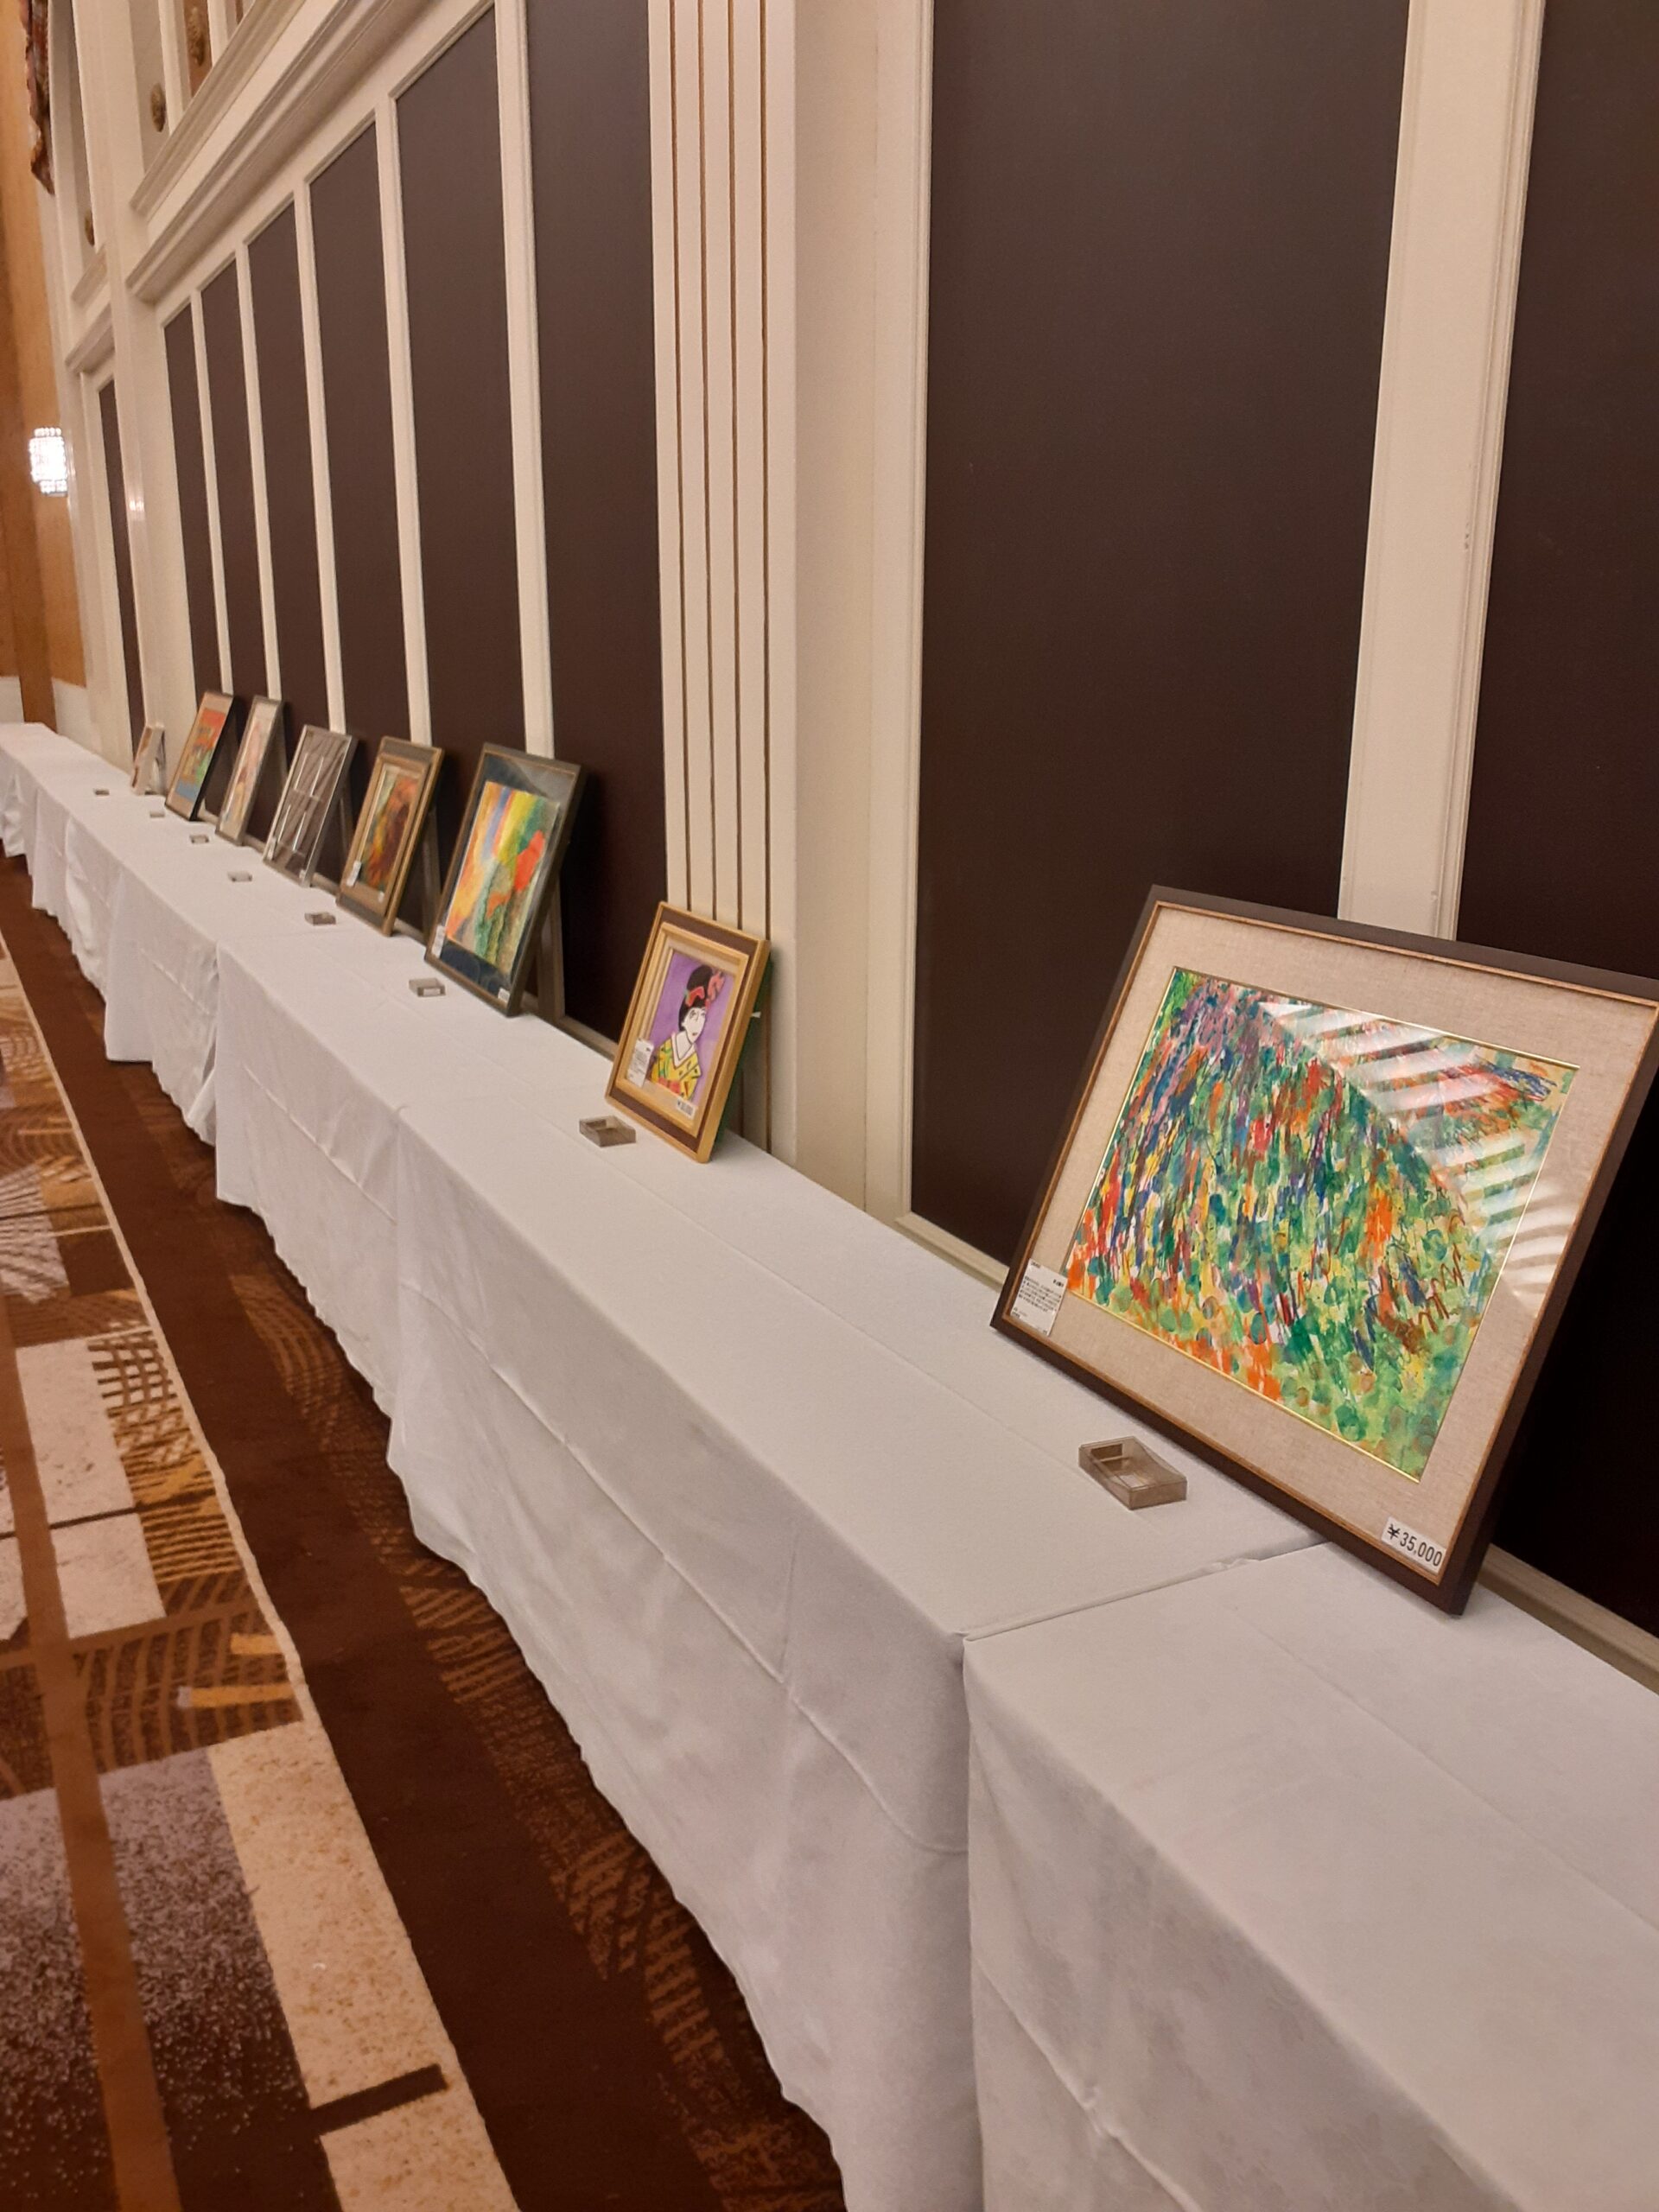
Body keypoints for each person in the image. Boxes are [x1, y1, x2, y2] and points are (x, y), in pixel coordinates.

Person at [649, 964, 725, 1101]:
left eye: (702, 1016)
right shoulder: (665, 1050)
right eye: (693, 1015)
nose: (697, 1024)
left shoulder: (694, 1067)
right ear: (683, 1020)